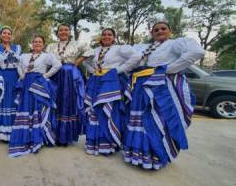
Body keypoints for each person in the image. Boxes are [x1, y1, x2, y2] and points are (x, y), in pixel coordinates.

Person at [123, 21, 205, 170]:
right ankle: (136, 154)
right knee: (138, 120)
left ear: (170, 31)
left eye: (163, 28)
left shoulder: (175, 43)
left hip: (159, 87)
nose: (160, 31)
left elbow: (197, 51)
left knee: (155, 120)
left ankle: (155, 156)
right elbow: (130, 61)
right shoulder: (144, 47)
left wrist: (168, 69)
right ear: (152, 33)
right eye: (156, 29)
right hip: (140, 87)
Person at [84, 28, 141, 156]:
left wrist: (119, 70)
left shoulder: (120, 49)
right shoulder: (96, 50)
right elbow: (86, 62)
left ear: (114, 37)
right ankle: (93, 143)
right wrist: (92, 71)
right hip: (96, 81)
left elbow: (136, 57)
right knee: (95, 111)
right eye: (104, 34)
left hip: (112, 82)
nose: (106, 36)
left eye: (109, 35)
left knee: (109, 111)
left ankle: (108, 144)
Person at [9, 35, 62, 157]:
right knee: (26, 108)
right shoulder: (24, 56)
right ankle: (26, 137)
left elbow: (58, 65)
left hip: (39, 84)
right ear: (32, 44)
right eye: (35, 41)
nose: (37, 43)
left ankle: (39, 138)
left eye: (40, 42)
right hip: (27, 83)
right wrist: (22, 75)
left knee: (38, 109)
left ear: (43, 44)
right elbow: (18, 66)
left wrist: (45, 76)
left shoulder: (46, 56)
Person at [45, 24, 93, 146]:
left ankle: (65, 137)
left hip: (70, 75)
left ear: (69, 32)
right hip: (55, 74)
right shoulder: (51, 46)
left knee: (68, 102)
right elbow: (45, 59)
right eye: (61, 30)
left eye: (66, 30)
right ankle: (54, 133)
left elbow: (90, 50)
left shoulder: (76, 44)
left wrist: (77, 61)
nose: (63, 32)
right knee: (55, 101)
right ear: (57, 33)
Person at [0, 26, 22, 142]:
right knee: (1, 102)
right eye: (4, 33)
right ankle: (2, 132)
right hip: (1, 78)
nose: (6, 35)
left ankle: (13, 131)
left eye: (9, 33)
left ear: (11, 36)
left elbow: (20, 64)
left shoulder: (17, 48)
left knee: (13, 103)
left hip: (14, 78)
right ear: (0, 35)